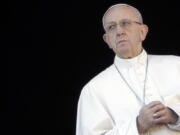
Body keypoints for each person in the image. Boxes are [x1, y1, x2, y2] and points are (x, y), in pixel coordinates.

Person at [76, 3, 180, 135]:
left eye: (125, 23)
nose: (119, 31)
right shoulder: (92, 91)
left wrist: (175, 116)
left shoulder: (177, 65)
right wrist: (138, 125)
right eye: (111, 27)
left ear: (142, 32)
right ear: (107, 40)